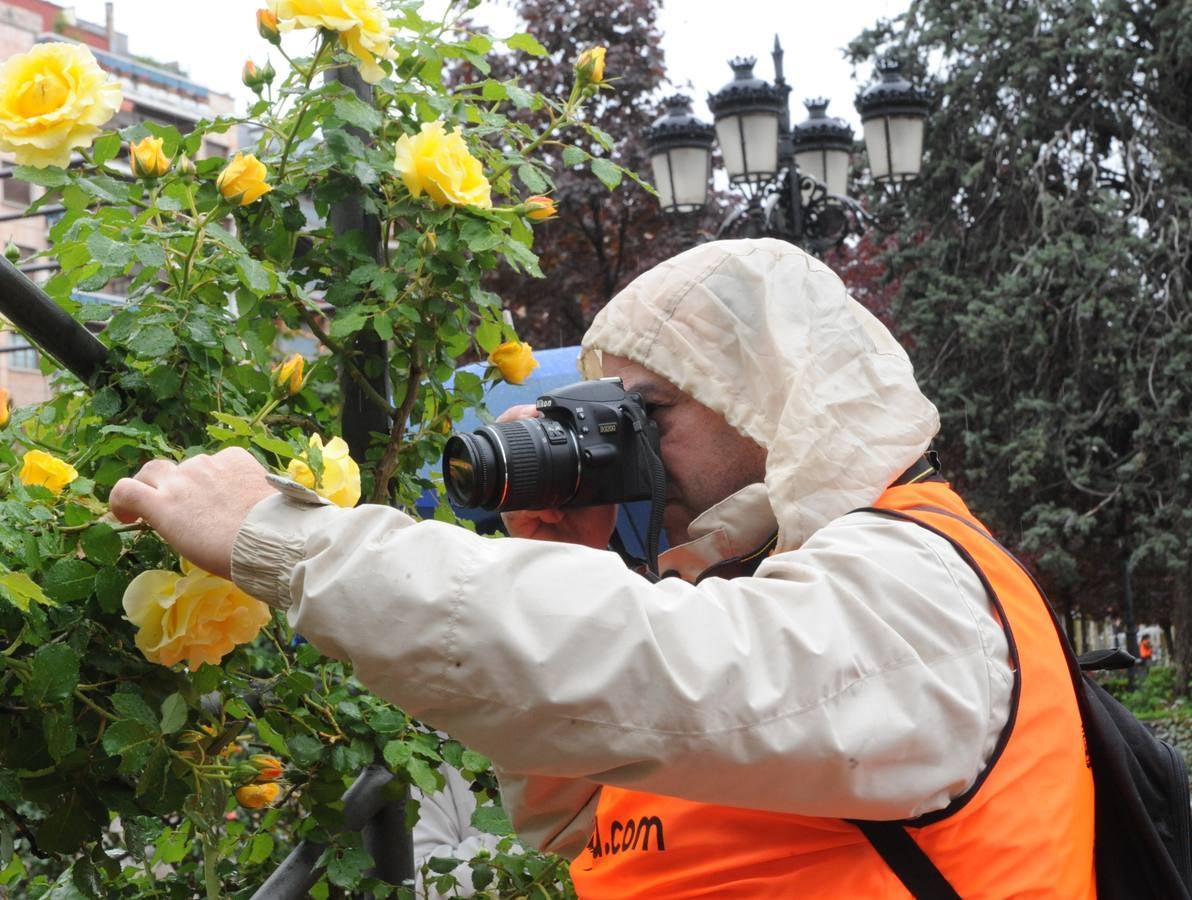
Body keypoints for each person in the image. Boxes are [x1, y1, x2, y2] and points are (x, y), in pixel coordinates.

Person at [110, 238, 1095, 896]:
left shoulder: (914, 581)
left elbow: (645, 667)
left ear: (764, 398)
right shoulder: (743, 590)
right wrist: (565, 551)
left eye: (648, 412)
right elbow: (578, 815)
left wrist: (289, 538)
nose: (618, 443)